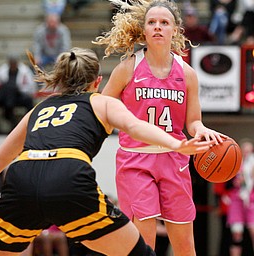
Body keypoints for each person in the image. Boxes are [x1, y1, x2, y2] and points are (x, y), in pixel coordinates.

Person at [0, 47, 214, 256]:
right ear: (98, 81)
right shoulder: (100, 102)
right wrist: (177, 144)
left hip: (21, 178)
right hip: (67, 177)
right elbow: (135, 126)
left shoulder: (39, 109)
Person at [93, 0, 225, 255]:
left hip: (174, 159)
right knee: (145, 243)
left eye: (164, 23)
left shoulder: (187, 73)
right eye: (151, 22)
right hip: (135, 160)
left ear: (175, 30)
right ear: (143, 30)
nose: (157, 27)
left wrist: (202, 130)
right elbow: (101, 106)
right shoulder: (128, 67)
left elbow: (192, 121)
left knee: (185, 245)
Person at [0, 53, 36, 133]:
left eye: (14, 62)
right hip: (4, 96)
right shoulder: (1, 70)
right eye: (11, 62)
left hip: (19, 96)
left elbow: (31, 86)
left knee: (28, 100)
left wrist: (20, 89)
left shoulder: (25, 71)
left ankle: (28, 124)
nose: (13, 64)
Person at [227, 138, 254, 256]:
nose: (247, 153)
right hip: (237, 200)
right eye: (245, 151)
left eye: (250, 151)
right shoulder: (234, 163)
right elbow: (226, 185)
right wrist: (236, 180)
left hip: (251, 200)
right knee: (236, 234)